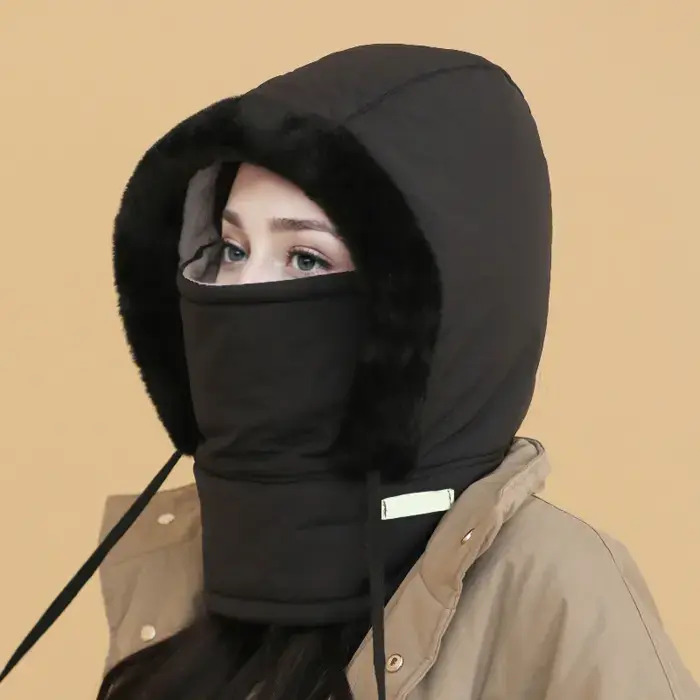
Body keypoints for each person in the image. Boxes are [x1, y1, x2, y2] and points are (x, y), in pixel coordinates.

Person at [1, 43, 698, 700]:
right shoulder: (179, 558)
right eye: (232, 249)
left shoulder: (557, 590)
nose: (240, 293)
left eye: (306, 258)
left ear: (436, 311)